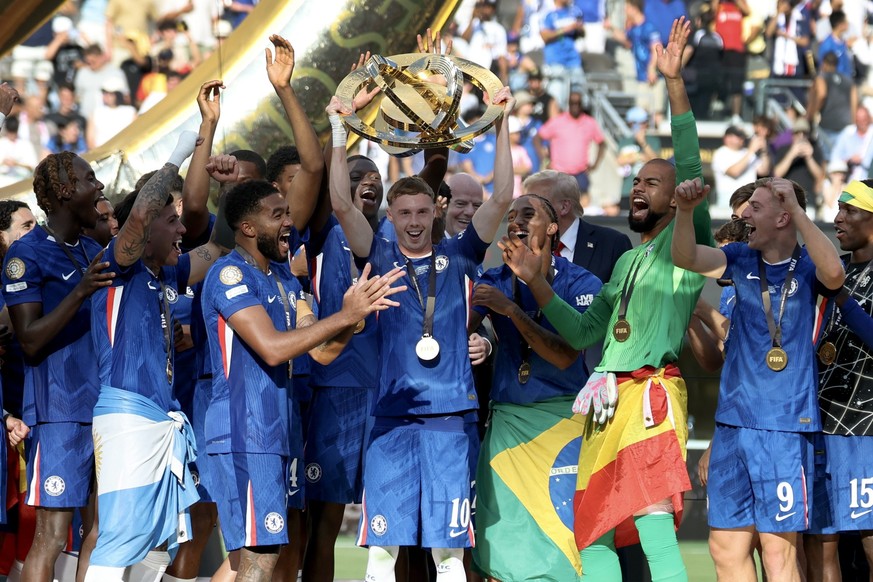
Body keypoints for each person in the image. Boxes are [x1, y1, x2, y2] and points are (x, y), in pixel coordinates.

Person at [498, 18, 711, 580]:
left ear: (678, 196)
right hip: (605, 401)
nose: (638, 189)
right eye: (636, 182)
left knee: (649, 520)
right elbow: (585, 334)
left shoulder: (685, 242)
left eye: (651, 183)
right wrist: (536, 280)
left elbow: (688, 162)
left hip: (649, 394)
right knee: (590, 527)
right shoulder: (624, 260)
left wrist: (672, 85)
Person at [326, 80, 515, 581]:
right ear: (391, 217)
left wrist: (502, 120)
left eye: (423, 212)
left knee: (448, 554)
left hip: (451, 419)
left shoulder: (460, 255)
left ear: (438, 213)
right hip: (392, 416)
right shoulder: (380, 253)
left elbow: (503, 196)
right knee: (381, 553)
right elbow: (342, 204)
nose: (413, 221)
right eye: (404, 213)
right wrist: (337, 126)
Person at [202, 179, 403, 581]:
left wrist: (355, 315)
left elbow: (321, 351)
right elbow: (273, 347)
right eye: (277, 215)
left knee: (259, 556)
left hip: (279, 432)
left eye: (288, 213)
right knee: (260, 555)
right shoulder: (229, 275)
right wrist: (344, 315)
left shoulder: (285, 279)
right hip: (245, 432)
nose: (289, 222)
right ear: (247, 227)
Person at [673, 175, 844, 580]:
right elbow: (684, 257)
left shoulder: (808, 267)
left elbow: (835, 273)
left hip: (783, 428)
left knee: (778, 553)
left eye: (756, 208)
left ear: (784, 217)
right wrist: (683, 211)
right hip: (734, 426)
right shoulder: (738, 257)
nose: (744, 215)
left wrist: (800, 211)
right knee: (725, 550)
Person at [83, 131, 221, 582]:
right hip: (127, 415)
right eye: (171, 221)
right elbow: (141, 213)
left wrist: (229, 187)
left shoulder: (166, 274)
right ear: (142, 231)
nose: (182, 229)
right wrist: (177, 155)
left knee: (158, 542)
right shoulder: (117, 266)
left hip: (161, 416)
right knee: (121, 537)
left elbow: (219, 246)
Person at [471, 193, 602, 581]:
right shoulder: (493, 278)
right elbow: (453, 333)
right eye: (511, 215)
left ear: (552, 228)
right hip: (508, 425)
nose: (516, 220)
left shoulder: (581, 280)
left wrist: (509, 310)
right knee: (500, 542)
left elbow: (565, 355)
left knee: (563, 539)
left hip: (564, 423)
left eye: (528, 213)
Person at [1, 150, 108, 582]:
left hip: (104, 407)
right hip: (58, 411)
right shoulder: (25, 255)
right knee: (52, 533)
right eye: (89, 179)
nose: (98, 187)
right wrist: (80, 292)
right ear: (65, 192)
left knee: (100, 529)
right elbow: (28, 339)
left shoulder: (90, 247)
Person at [806, 179, 873, 580]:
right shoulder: (840, 267)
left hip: (866, 425)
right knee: (822, 538)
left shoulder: (840, 279)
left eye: (850, 211)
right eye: (838, 209)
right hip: (824, 422)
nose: (838, 219)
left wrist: (841, 295)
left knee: (868, 533)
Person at [521, 170, 631, 286]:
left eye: (534, 205)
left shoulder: (612, 244)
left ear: (564, 207)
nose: (525, 213)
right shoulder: (523, 247)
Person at [535, 92, 605, 200]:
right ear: (568, 104)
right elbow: (537, 138)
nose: (575, 106)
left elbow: (602, 143)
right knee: (556, 204)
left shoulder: (589, 122)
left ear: (582, 104)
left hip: (580, 173)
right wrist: (544, 160)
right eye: (572, 103)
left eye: (578, 103)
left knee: (582, 205)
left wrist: (595, 164)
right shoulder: (558, 121)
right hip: (559, 173)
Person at [712, 126, 764, 211]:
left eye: (742, 136)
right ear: (727, 138)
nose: (742, 139)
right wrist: (751, 150)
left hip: (750, 199)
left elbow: (763, 170)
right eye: (738, 136)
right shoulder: (720, 153)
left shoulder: (747, 153)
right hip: (729, 201)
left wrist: (764, 151)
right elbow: (734, 172)